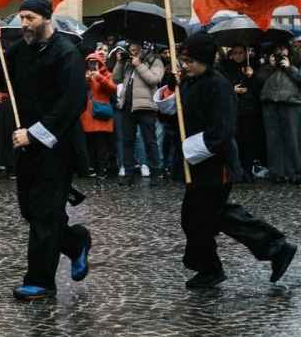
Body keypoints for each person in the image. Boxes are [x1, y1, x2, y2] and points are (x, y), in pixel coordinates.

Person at [0, 0, 92, 300]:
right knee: (31, 210)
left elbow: (72, 103)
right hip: (25, 145)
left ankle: (40, 281)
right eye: (22, 18)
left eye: (30, 18)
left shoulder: (67, 53)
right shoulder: (20, 50)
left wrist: (35, 134)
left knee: (44, 213)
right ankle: (75, 241)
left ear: (46, 18)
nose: (24, 24)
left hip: (57, 146)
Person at [163, 32, 296, 288]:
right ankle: (219, 264)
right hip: (196, 162)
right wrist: (171, 95)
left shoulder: (218, 85)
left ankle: (269, 249)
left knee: (209, 215)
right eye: (184, 60)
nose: (185, 65)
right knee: (205, 216)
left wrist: (193, 149)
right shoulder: (189, 82)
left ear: (204, 60)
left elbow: (223, 129)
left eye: (190, 61)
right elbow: (180, 119)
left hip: (215, 162)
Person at [112, 41, 164, 183]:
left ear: (143, 48)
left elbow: (154, 79)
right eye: (130, 48)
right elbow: (116, 79)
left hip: (146, 107)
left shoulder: (154, 60)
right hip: (127, 107)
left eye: (135, 47)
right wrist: (120, 63)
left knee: (150, 141)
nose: (132, 50)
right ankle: (128, 174)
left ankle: (156, 173)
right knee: (127, 141)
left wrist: (139, 65)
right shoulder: (128, 62)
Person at [220, 46, 265, 183]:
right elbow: (222, 86)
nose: (239, 56)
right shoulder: (226, 68)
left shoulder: (254, 66)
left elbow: (259, 89)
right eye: (236, 53)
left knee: (249, 142)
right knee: (236, 141)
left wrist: (252, 77)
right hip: (234, 110)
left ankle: (248, 170)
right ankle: (237, 171)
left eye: (241, 53)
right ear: (231, 55)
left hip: (250, 110)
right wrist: (233, 89)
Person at [257, 44, 301, 184]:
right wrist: (270, 66)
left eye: (283, 49)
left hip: (291, 103)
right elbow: (259, 80)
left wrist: (289, 67)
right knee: (273, 139)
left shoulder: (296, 62)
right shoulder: (268, 65)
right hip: (270, 104)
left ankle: (295, 171)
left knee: (292, 139)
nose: (280, 52)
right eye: (277, 50)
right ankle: (277, 172)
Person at [81, 51, 117, 179]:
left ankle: (102, 170)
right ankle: (92, 168)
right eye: (90, 62)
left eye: (95, 62)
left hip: (101, 114)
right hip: (87, 114)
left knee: (101, 144)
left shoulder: (107, 74)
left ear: (100, 63)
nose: (92, 65)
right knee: (89, 144)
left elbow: (113, 88)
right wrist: (85, 81)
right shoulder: (85, 75)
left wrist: (99, 77)